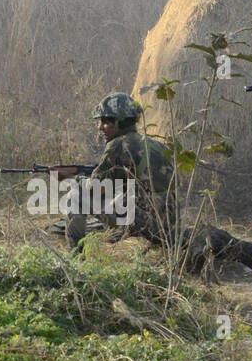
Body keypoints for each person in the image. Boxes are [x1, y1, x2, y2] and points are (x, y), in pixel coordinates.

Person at [61, 93, 178, 253]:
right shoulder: (156, 144)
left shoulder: (117, 144)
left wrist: (80, 180)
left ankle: (76, 256)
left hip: (142, 220)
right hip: (168, 223)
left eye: (105, 122)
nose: (100, 127)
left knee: (75, 196)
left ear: (119, 123)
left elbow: (95, 187)